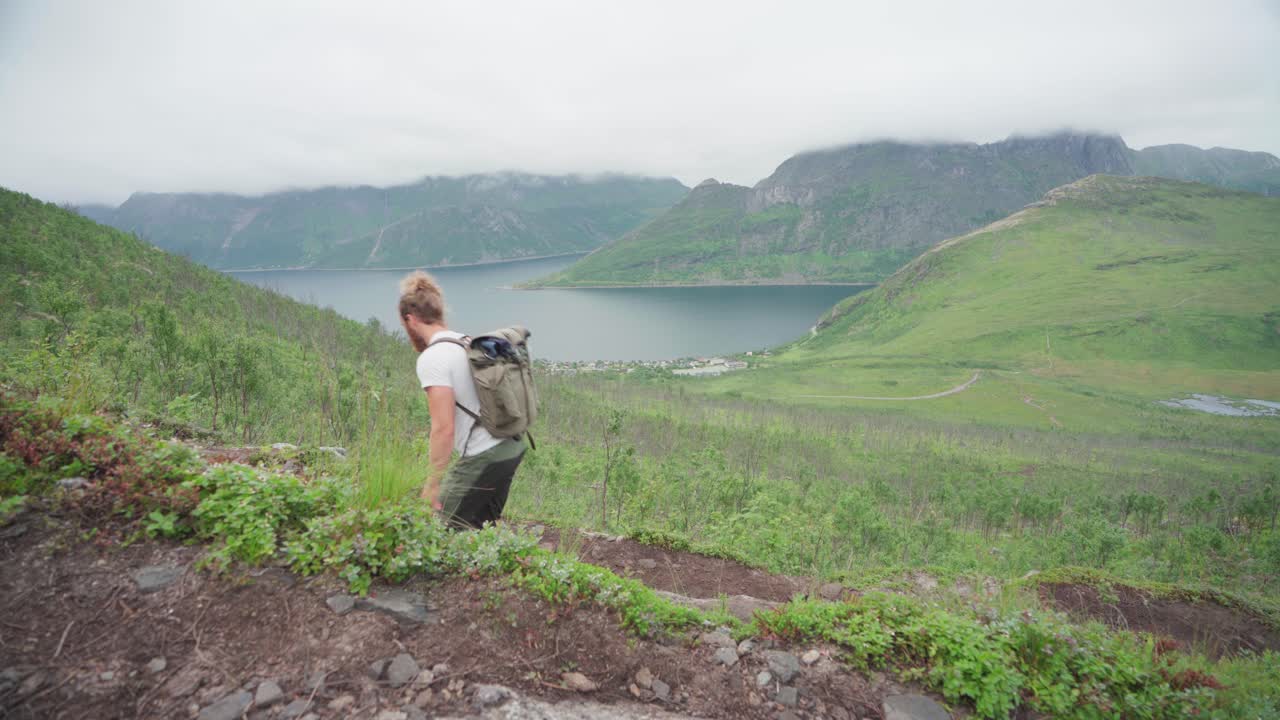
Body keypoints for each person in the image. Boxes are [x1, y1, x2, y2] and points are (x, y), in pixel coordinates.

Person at [398, 271, 526, 529]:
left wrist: (433, 484)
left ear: (410, 320)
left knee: (437, 529)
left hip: (485, 453)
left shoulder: (432, 358)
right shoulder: (466, 342)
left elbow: (443, 429)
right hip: (512, 447)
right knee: (479, 529)